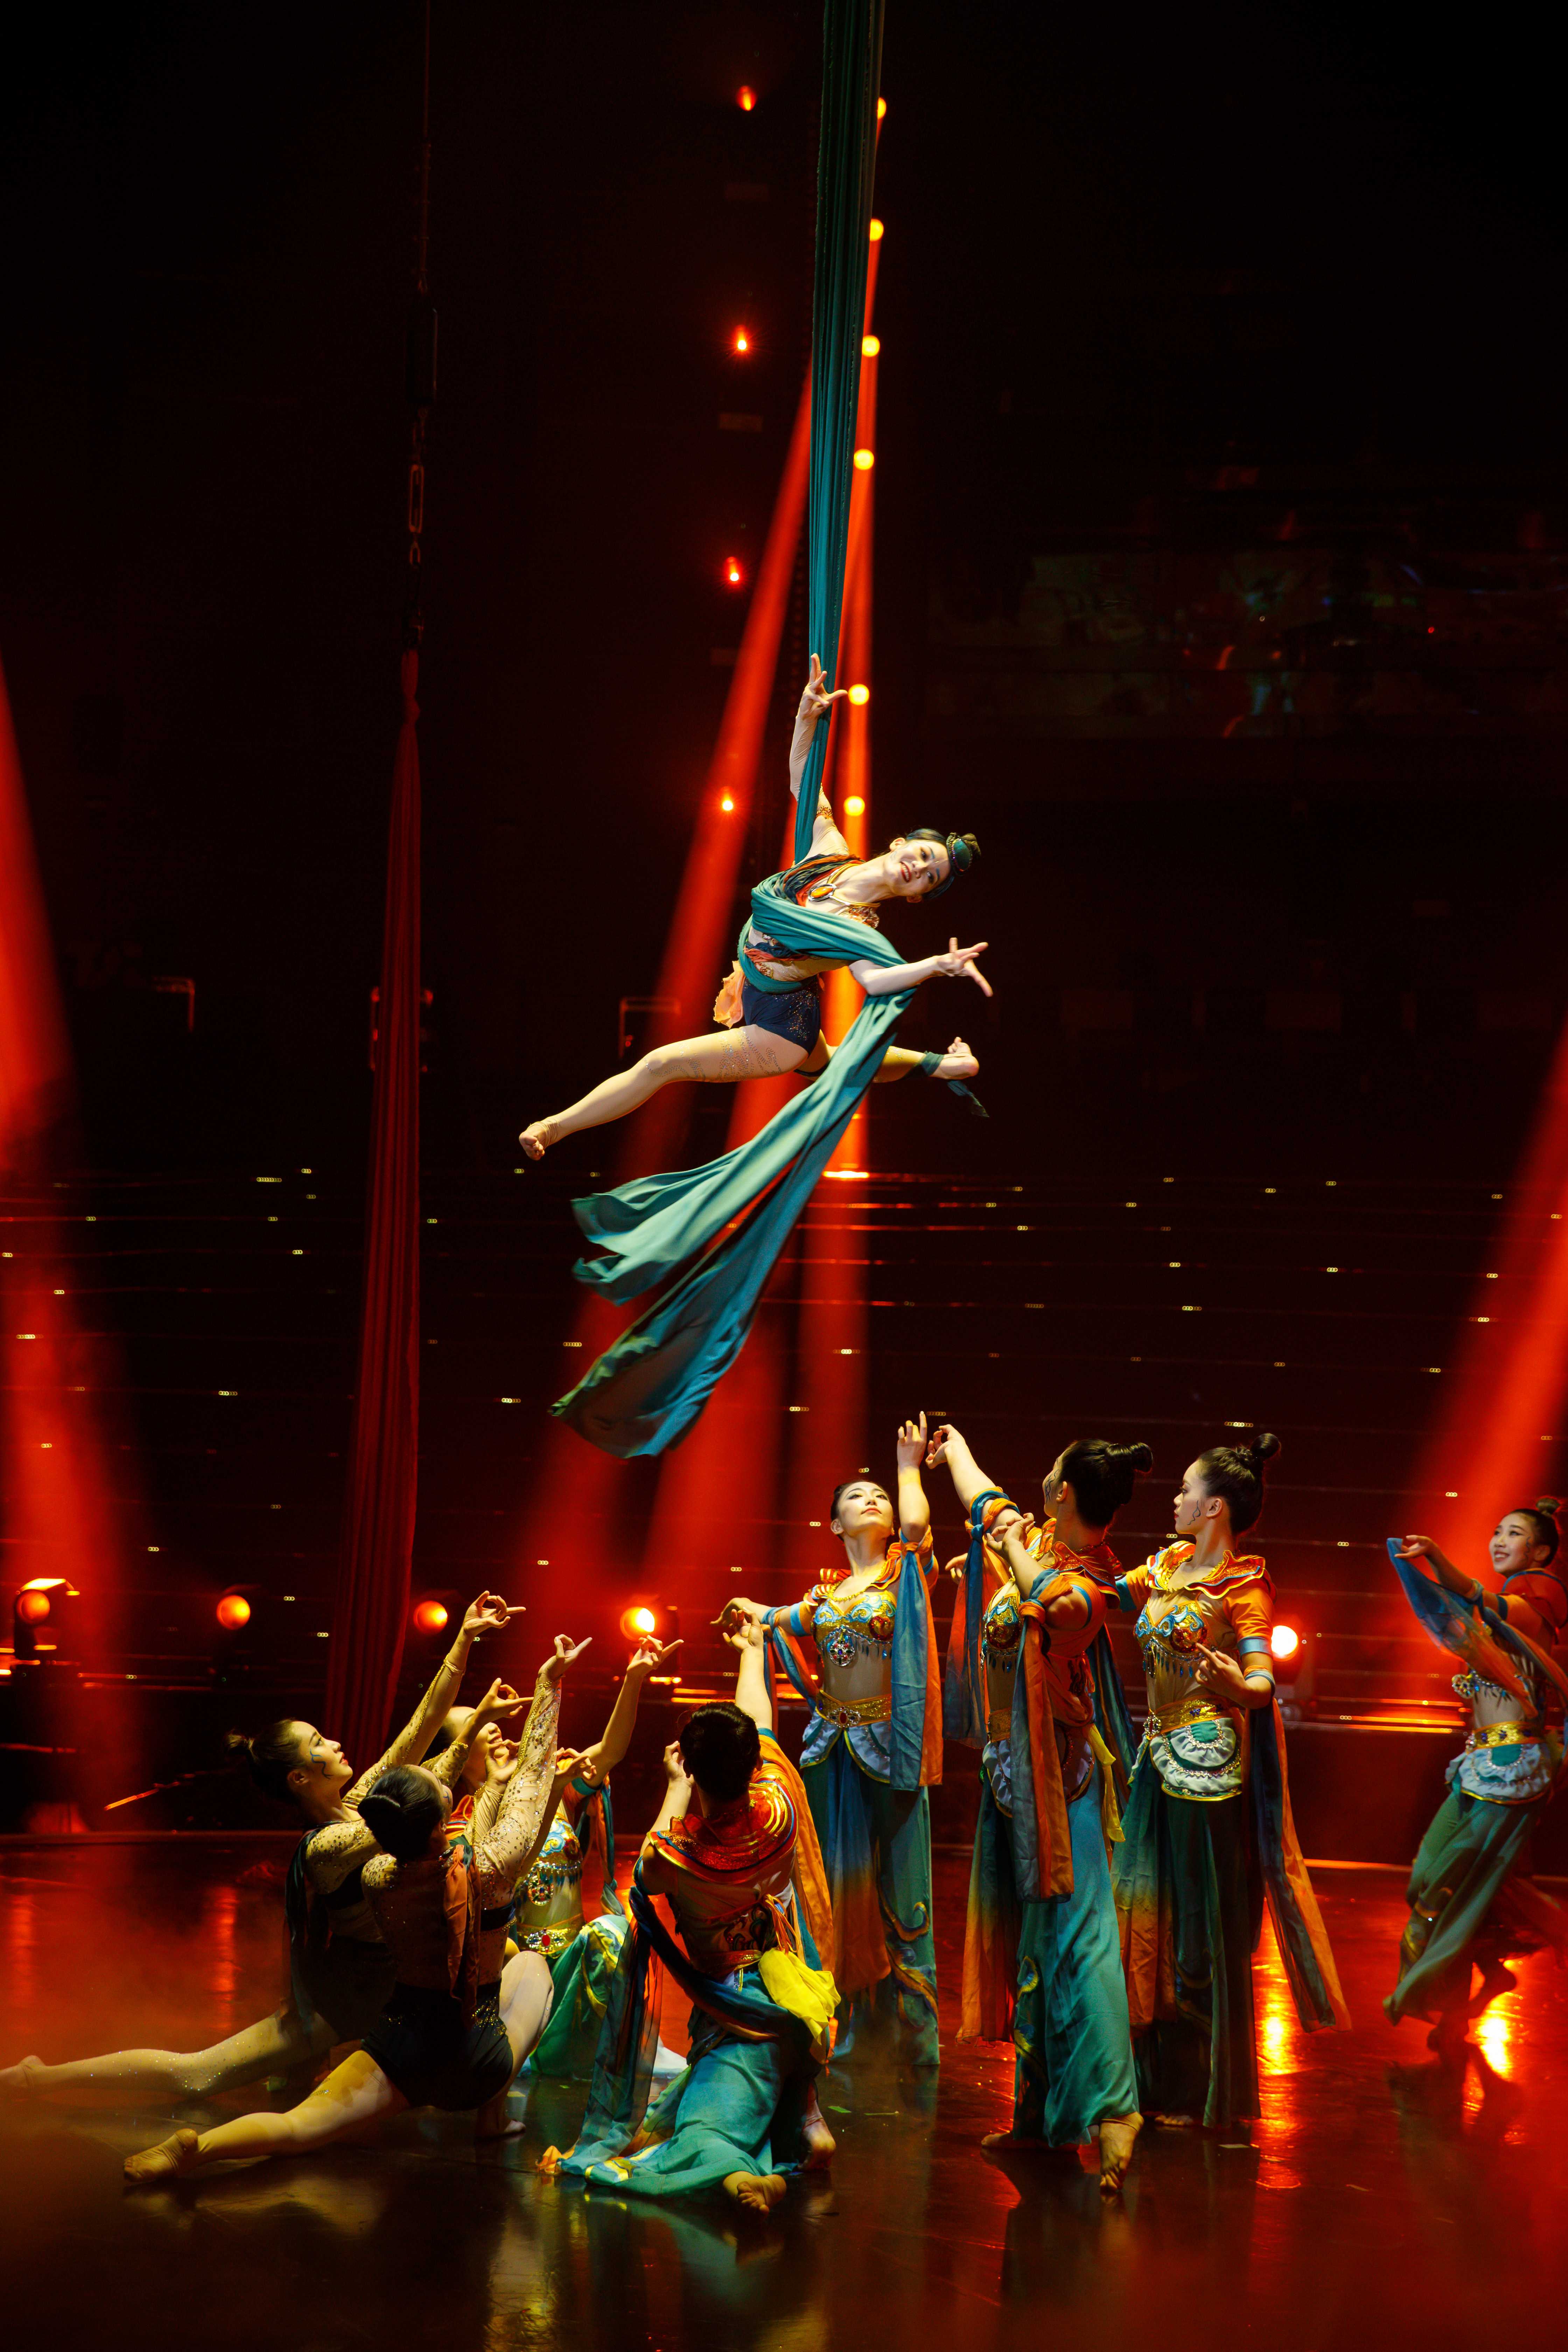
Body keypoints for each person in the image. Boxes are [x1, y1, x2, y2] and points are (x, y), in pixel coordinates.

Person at [0, 1590, 518, 2106]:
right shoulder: (328, 1846)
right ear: (300, 1778)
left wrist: (465, 1638)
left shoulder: (359, 1805)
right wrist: (472, 1734)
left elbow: (421, 1727)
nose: (336, 1744)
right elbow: (423, 1795)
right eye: (319, 1744)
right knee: (198, 2075)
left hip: (387, 1982)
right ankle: (39, 2079)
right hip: (354, 1994)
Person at [122, 1636, 590, 2180]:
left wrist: (468, 1664)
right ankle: (493, 2114)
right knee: (529, 1963)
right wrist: (548, 1684)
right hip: (466, 2054)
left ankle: (199, 2147)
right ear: (443, 1815)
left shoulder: (378, 1873)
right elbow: (529, 1792)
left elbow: (416, 1754)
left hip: (400, 2042)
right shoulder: (482, 1870)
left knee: (299, 2127)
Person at [519, 658, 987, 1160]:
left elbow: (875, 982)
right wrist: (805, 716)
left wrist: (937, 966)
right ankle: (946, 1066)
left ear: (916, 896)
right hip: (772, 988)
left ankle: (553, 1128)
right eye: (923, 855)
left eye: (930, 876)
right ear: (900, 844)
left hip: (781, 1028)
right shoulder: (829, 851)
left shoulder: (861, 927)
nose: (920, 868)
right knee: (833, 1063)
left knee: (661, 1065)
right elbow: (803, 781)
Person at [540, 1619, 837, 2210]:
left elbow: (644, 1877)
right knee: (702, 2103)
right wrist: (753, 1650)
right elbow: (759, 1720)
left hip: (738, 2011)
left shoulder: (684, 1857)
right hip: (793, 1991)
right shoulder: (778, 1805)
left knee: (698, 2133)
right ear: (754, 1763)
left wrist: (676, 1787)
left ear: (695, 1769)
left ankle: (746, 2178)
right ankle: (805, 2120)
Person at [927, 1424, 1147, 2190]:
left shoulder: (1086, 1585)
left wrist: (1015, 1548)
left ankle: (1114, 2110)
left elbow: (1051, 1603)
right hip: (1012, 1775)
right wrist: (955, 1448)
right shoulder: (1040, 1544)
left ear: (1062, 1494)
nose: (1036, 1484)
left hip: (1063, 1783)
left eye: (1050, 1474)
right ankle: (1041, 2119)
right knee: (1035, 1949)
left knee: (1081, 1941)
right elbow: (981, 1495)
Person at [1110, 1435, 1349, 2133]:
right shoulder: (1165, 1566)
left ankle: (1199, 2089)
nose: (1176, 1499)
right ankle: (1151, 2082)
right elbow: (1097, 1594)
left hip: (1206, 1770)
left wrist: (1238, 1687)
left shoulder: (1243, 1585)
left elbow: (1261, 1678)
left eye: (1186, 1490)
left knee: (1195, 1933)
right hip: (1155, 1760)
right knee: (1145, 1920)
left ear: (1214, 1507)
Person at [726, 1416, 943, 2065]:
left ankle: (914, 2037)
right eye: (856, 1496)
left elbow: (915, 1525)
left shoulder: (906, 1573)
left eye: (879, 1494)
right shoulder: (823, 1597)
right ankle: (837, 2021)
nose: (871, 1499)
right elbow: (773, 1617)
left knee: (902, 1887)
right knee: (829, 1886)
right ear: (834, 1526)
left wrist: (907, 1466)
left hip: (891, 1748)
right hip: (829, 1748)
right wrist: (746, 1612)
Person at [439, 1632, 684, 2079]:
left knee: (613, 1933)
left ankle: (599, 2051)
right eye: (474, 1722)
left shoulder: (551, 1786)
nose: (492, 1725)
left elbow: (610, 1752)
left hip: (574, 1959)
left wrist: (634, 1679)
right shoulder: (461, 1828)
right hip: (514, 1967)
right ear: (455, 1753)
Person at [1386, 1500, 1568, 2054]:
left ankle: (1450, 2013)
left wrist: (1437, 1559)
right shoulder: (1499, 1614)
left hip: (1514, 1772)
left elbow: (1478, 1597)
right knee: (1435, 1883)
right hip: (1476, 1766)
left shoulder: (1537, 1603)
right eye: (1496, 1531)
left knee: (1453, 1890)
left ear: (1540, 1552)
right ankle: (1488, 1975)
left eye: (1513, 1533)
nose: (1499, 1540)